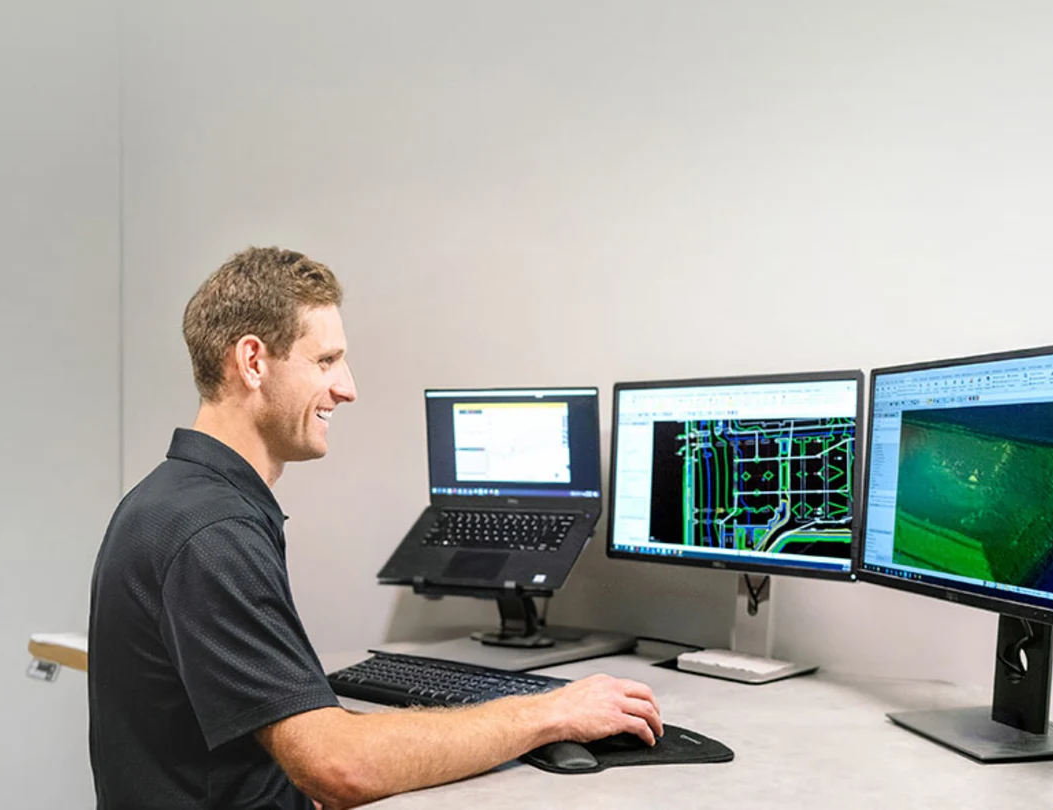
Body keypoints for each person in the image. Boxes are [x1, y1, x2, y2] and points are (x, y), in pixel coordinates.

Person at [87, 247, 662, 810]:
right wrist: (550, 712)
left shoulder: (169, 500)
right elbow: (339, 768)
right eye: (325, 361)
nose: (348, 388)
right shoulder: (212, 532)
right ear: (253, 362)